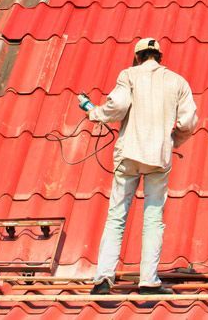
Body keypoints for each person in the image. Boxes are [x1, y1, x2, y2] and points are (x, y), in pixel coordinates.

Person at [78, 37, 198, 296]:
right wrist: (173, 140)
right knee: (153, 219)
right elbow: (188, 121)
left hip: (129, 154)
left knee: (116, 217)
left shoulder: (128, 75)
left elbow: (118, 106)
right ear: (159, 57)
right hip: (158, 158)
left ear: (137, 57)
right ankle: (148, 281)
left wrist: (93, 113)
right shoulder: (177, 82)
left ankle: (103, 280)